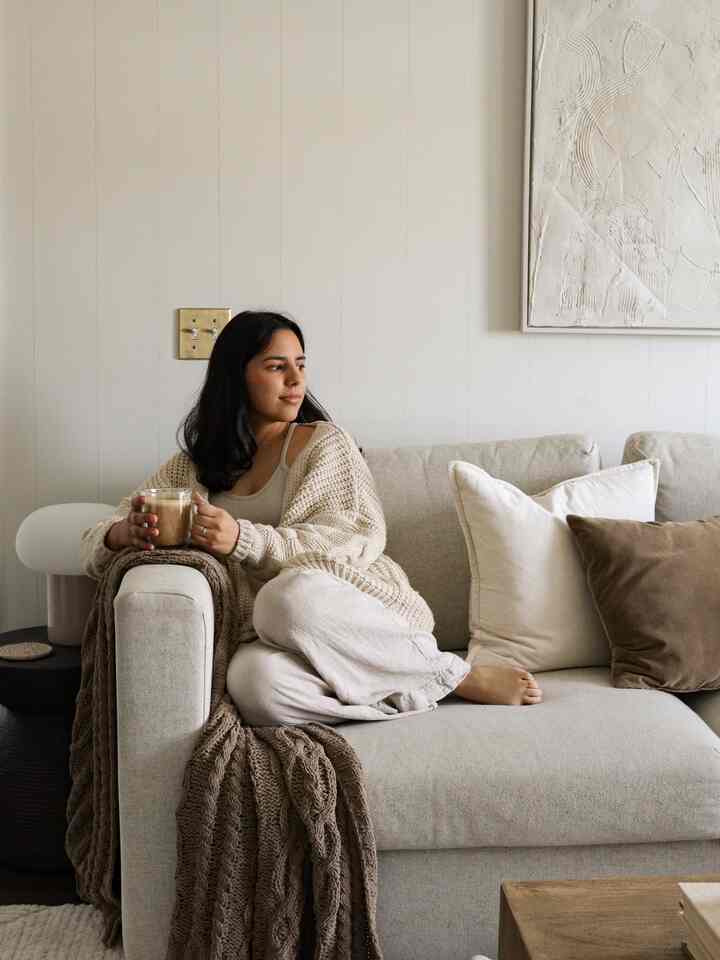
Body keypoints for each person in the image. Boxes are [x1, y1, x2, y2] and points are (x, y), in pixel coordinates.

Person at [86, 310, 542, 725]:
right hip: (270, 638)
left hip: (340, 616)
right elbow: (94, 538)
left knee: (283, 597)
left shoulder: (323, 442)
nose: (295, 379)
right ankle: (404, 692)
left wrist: (244, 539)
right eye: (276, 366)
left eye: (300, 364)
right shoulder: (192, 467)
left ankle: (451, 675)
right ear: (236, 376)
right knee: (252, 686)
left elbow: (357, 536)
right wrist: (122, 534)